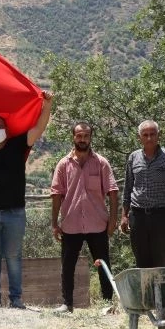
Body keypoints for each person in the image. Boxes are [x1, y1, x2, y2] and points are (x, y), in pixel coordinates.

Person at [0, 92, 53, 309]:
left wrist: (47, 105)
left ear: (6, 129)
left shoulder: (18, 145)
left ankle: (16, 300)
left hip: (15, 213)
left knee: (14, 256)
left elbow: (39, 129)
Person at [50, 121, 118, 312]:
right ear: (73, 137)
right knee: (68, 265)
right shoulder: (63, 164)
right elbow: (56, 194)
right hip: (71, 224)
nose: (82, 139)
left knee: (103, 264)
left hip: (97, 224)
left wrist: (112, 220)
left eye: (86, 135)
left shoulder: (101, 163)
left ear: (90, 137)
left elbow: (113, 192)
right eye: (79, 135)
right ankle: (67, 304)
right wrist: (54, 223)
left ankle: (107, 304)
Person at [120, 120, 165, 268]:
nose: (149, 138)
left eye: (152, 134)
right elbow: (128, 188)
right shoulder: (133, 157)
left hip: (161, 217)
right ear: (139, 138)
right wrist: (124, 215)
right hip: (138, 217)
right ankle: (146, 291)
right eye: (145, 135)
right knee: (141, 261)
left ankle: (160, 291)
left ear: (159, 135)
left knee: (161, 261)